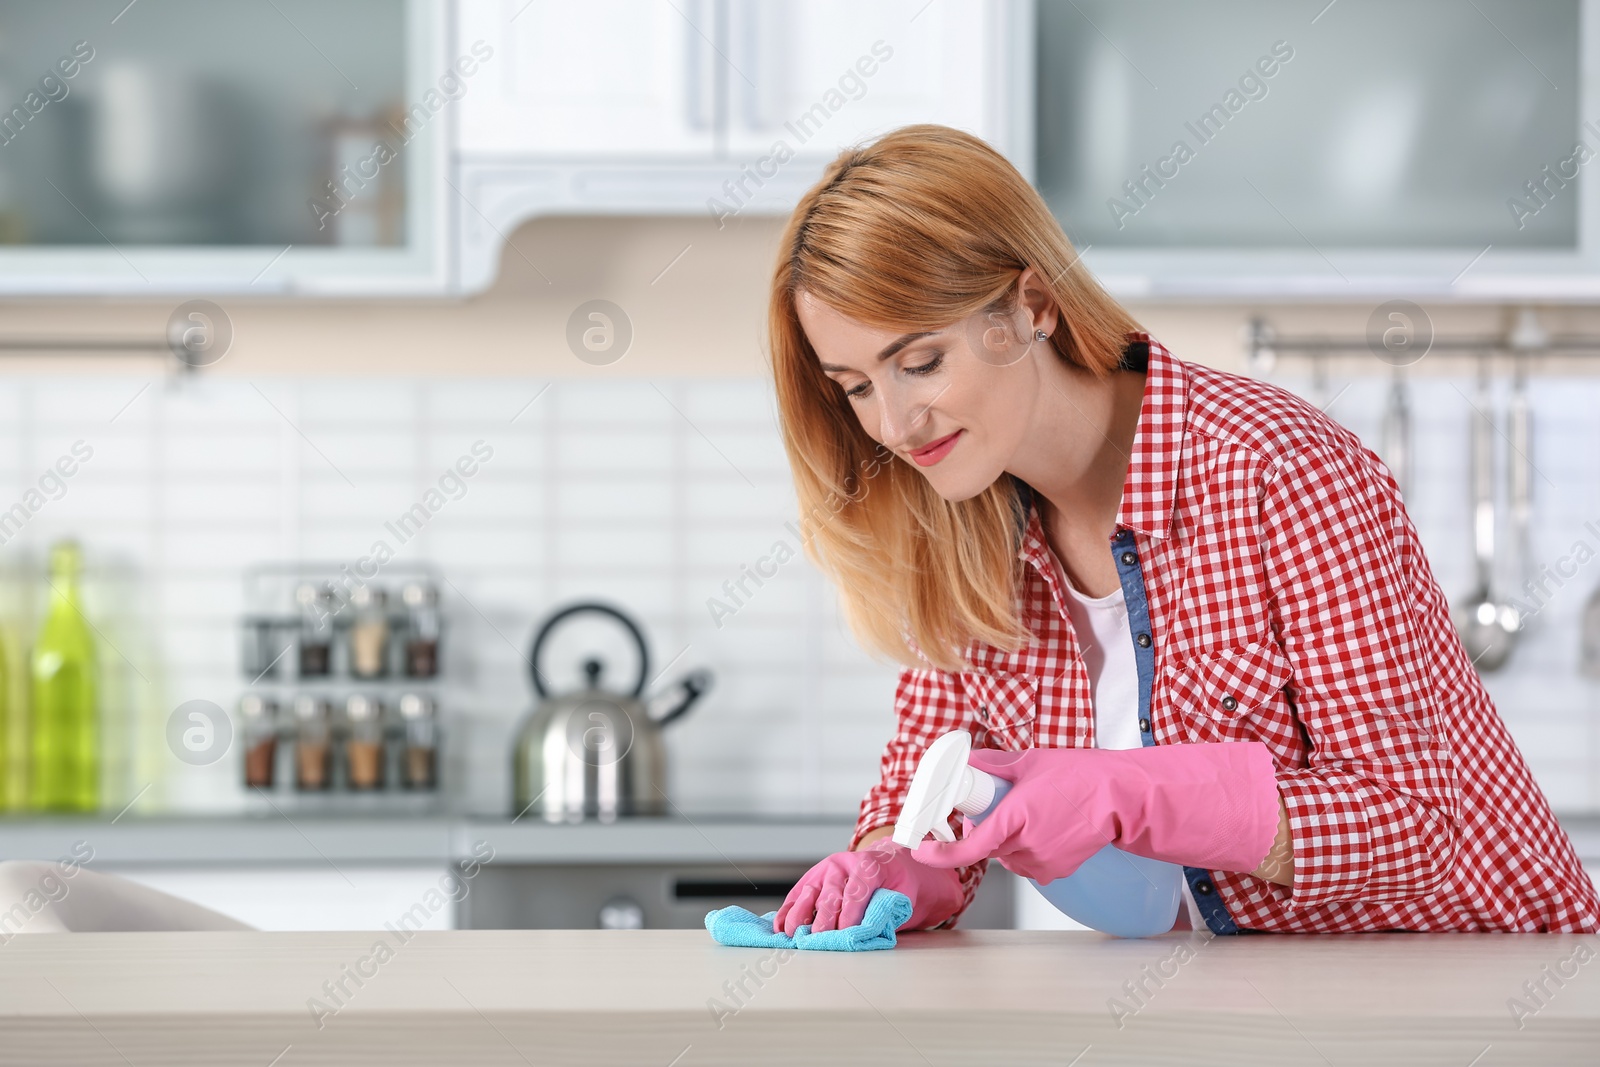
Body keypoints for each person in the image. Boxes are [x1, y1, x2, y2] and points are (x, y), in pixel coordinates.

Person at [769, 125, 1598, 938]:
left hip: (1487, 985)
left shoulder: (1278, 470)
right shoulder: (957, 531)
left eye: (919, 363)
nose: (895, 422)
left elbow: (1411, 819)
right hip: (1246, 1002)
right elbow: (931, 788)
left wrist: (1132, 794)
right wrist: (889, 867)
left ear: (1031, 306)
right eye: (855, 386)